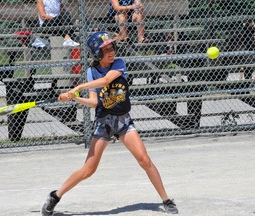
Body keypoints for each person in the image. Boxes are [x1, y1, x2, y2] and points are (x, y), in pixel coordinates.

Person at [41, 31, 178, 216]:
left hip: (123, 121)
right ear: (97, 53)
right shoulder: (91, 71)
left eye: (111, 47)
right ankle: (55, 196)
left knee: (144, 160)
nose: (111, 52)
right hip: (104, 122)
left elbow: (106, 80)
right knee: (88, 170)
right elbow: (94, 102)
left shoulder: (119, 64)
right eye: (105, 50)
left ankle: (166, 200)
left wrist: (78, 87)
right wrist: (75, 98)